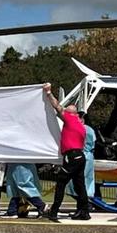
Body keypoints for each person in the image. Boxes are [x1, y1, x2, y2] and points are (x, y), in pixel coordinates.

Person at [43, 82, 90, 221]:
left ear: (70, 114)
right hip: (80, 157)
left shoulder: (69, 119)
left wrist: (48, 93)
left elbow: (57, 106)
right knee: (79, 185)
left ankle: (54, 211)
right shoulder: (81, 126)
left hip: (72, 156)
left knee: (61, 183)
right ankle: (84, 211)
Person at [66, 112, 96, 200]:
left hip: (80, 154)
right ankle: (86, 199)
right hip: (89, 156)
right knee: (87, 180)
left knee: (78, 181)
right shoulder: (91, 130)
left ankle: (83, 202)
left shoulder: (79, 128)